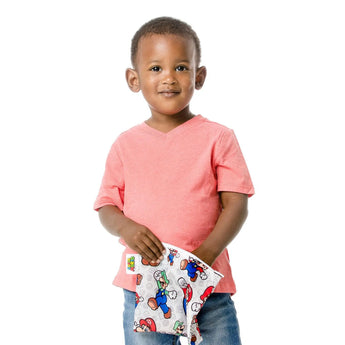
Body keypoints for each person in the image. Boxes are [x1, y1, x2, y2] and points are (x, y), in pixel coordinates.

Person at [94, 16, 254, 345]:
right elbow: (107, 206)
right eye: (155, 68)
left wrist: (205, 255)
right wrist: (126, 227)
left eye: (181, 67)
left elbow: (236, 204)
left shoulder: (218, 138)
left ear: (199, 76)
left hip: (208, 286)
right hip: (144, 286)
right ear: (133, 79)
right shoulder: (125, 144)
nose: (169, 77)